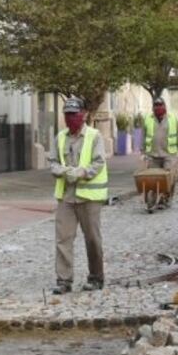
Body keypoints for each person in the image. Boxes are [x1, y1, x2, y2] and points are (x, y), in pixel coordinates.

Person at [47, 97, 108, 294]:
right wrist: (61, 171)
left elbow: (99, 162)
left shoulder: (94, 136)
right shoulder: (60, 137)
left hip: (88, 197)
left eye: (74, 114)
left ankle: (96, 277)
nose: (70, 118)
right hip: (66, 196)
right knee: (63, 239)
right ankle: (64, 280)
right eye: (67, 114)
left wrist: (82, 172)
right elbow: (53, 161)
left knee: (92, 239)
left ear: (83, 115)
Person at [144, 97, 178, 169]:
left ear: (164, 106)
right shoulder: (148, 119)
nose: (158, 107)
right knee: (153, 175)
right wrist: (142, 153)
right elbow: (143, 137)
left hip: (169, 156)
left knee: (169, 174)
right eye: (156, 105)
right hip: (153, 156)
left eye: (160, 105)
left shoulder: (172, 119)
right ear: (153, 107)